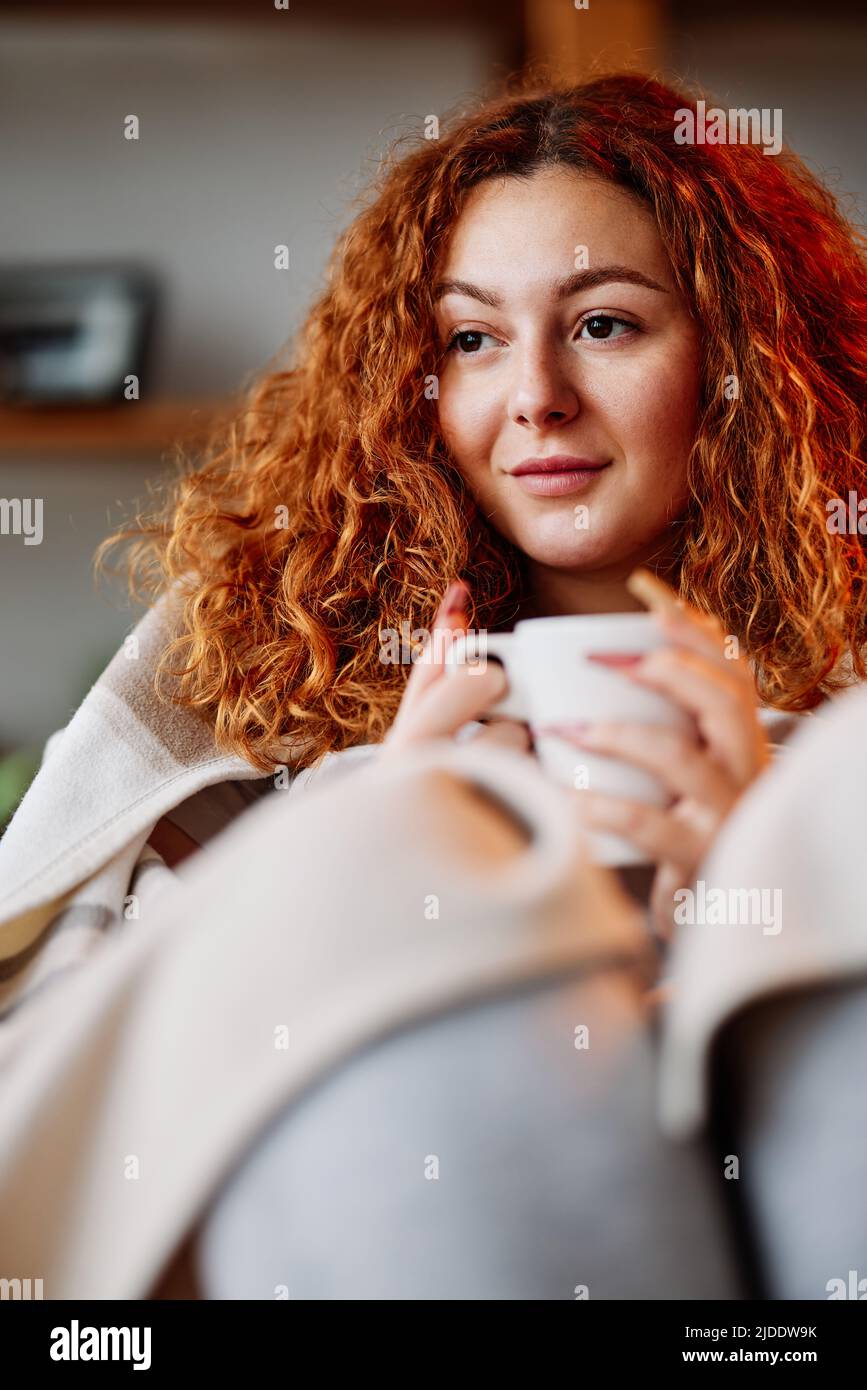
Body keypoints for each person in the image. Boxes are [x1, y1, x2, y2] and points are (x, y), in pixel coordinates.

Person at [94, 72, 865, 934]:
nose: (536, 397)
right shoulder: (255, 683)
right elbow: (101, 1033)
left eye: (602, 324)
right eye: (471, 339)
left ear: (745, 362)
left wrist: (761, 901)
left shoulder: (844, 730)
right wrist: (384, 871)